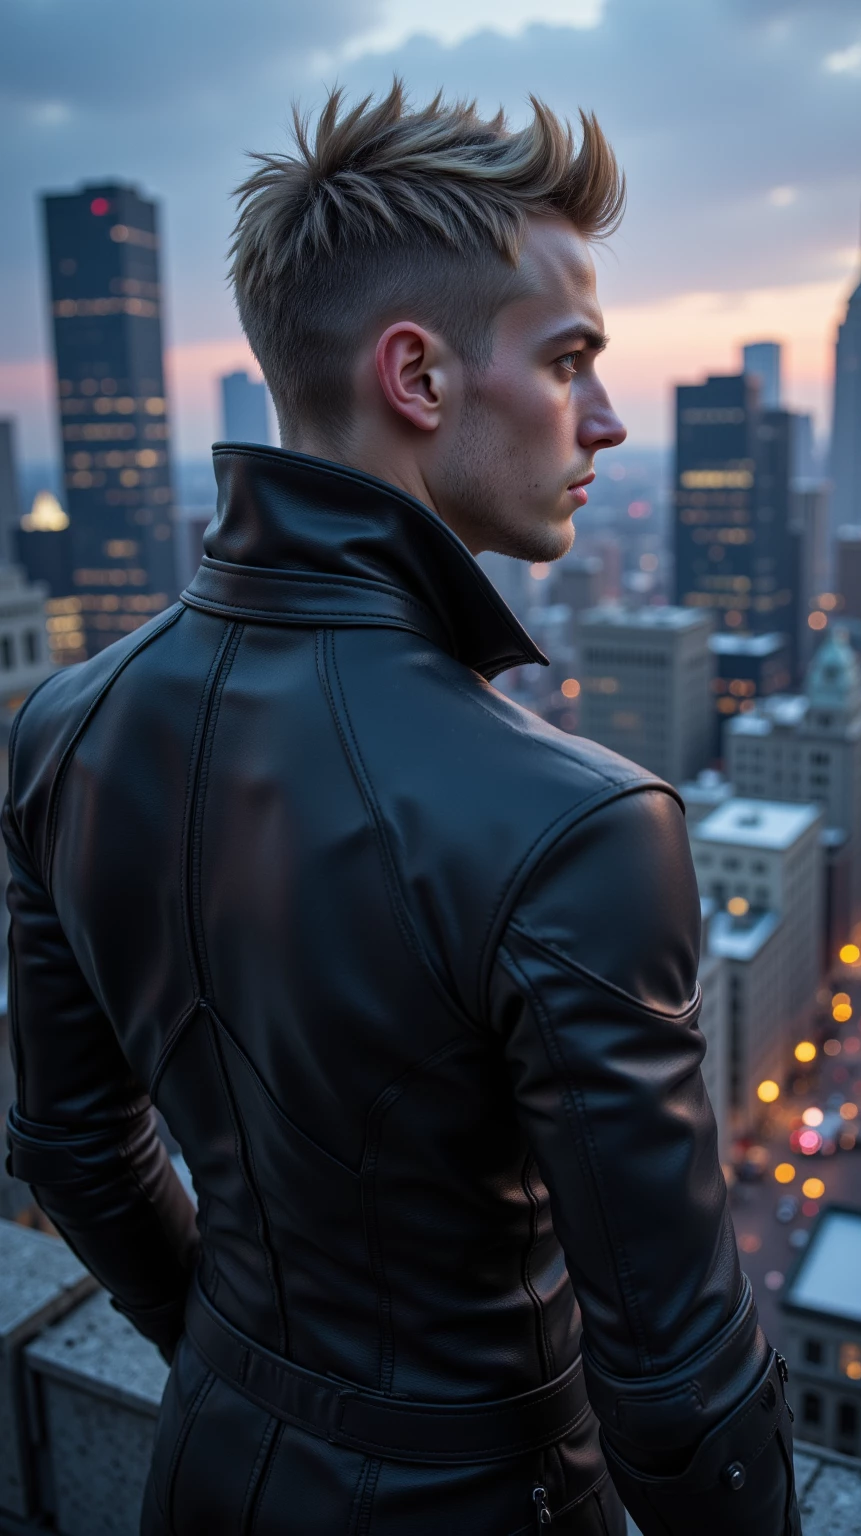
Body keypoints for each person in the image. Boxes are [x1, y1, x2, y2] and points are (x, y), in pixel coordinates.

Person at [3, 84, 800, 1535]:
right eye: (570, 360)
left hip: (202, 1478)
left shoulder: (61, 728)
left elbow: (71, 1148)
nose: (609, 420)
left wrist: (245, 1379)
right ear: (417, 376)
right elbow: (680, 1389)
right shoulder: (579, 827)